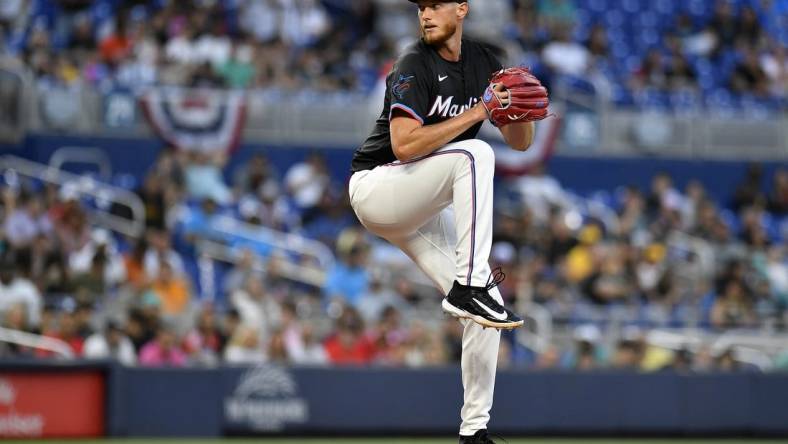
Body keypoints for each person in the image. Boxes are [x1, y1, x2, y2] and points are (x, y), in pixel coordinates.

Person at [347, 1, 548, 442]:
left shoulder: (483, 64)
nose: (426, 12)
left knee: (487, 307)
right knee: (476, 153)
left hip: (423, 207)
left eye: (437, 4)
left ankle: (473, 431)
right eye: (421, 6)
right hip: (379, 187)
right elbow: (403, 145)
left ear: (462, 9)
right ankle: (470, 286)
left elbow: (519, 142)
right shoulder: (412, 62)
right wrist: (480, 112)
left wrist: (520, 109)